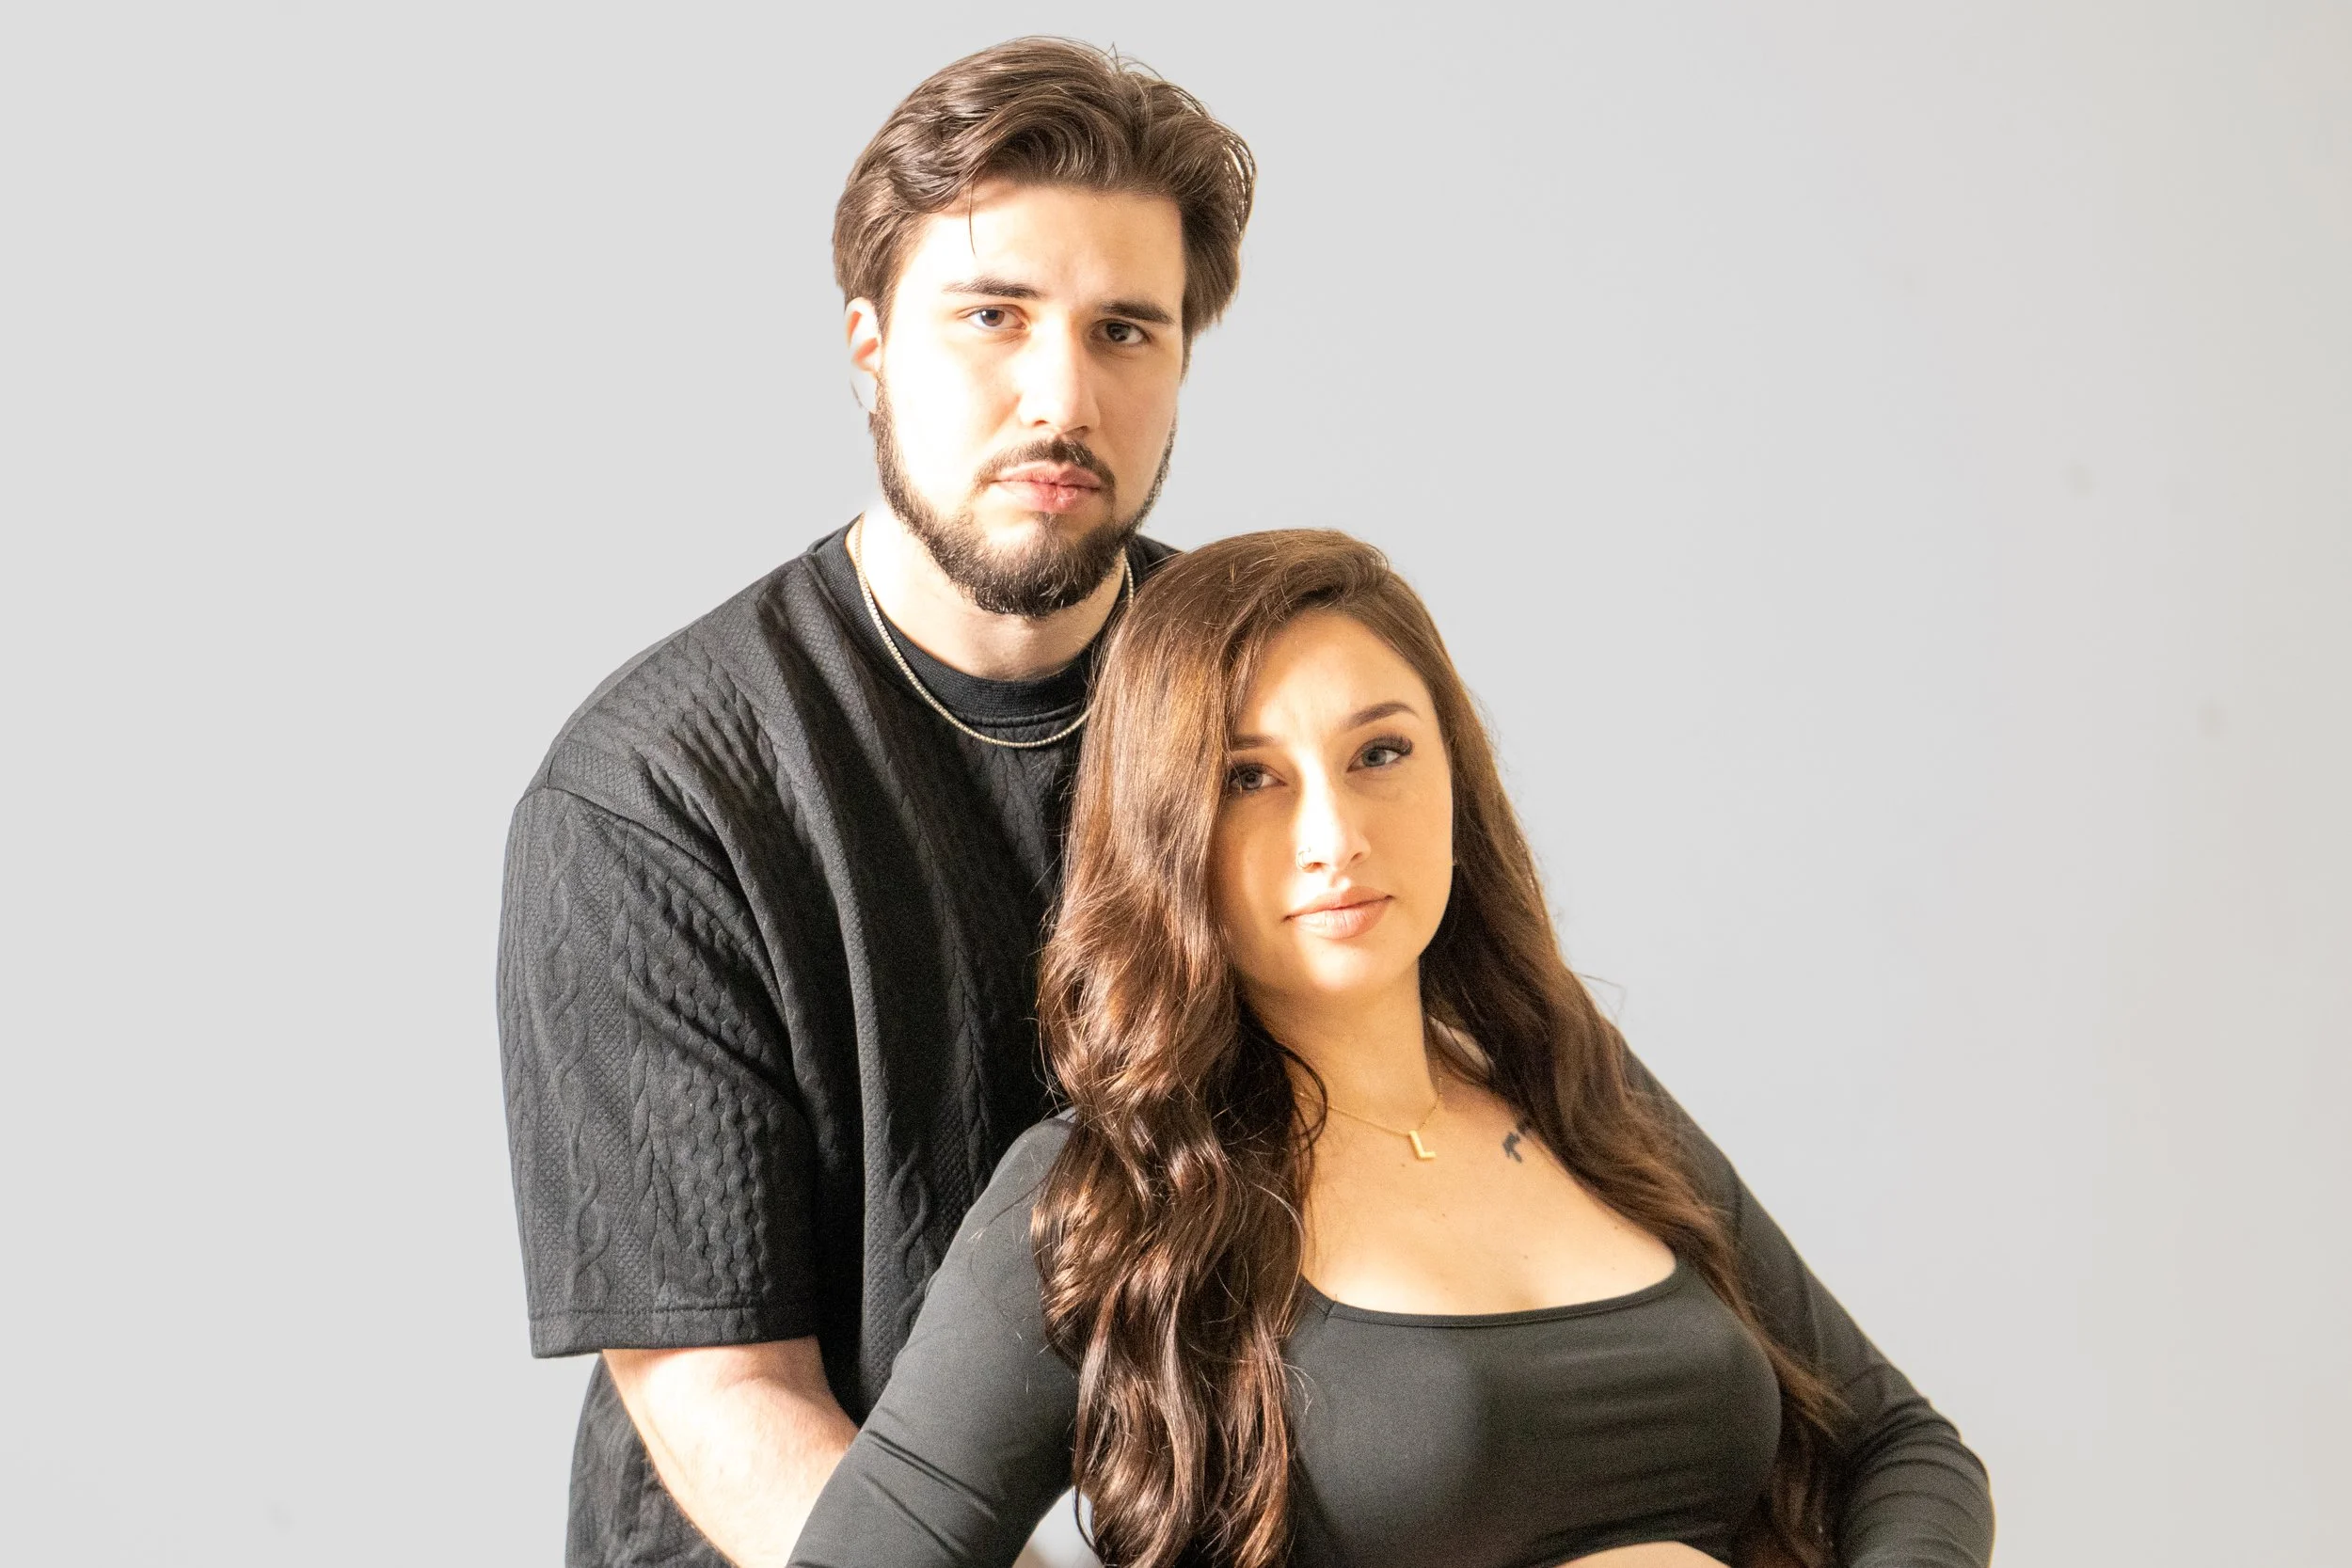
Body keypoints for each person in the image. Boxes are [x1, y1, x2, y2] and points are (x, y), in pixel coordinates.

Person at [789, 531, 1995, 1568]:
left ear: (1454, 775)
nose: (1335, 835)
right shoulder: (1105, 1192)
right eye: (1247, 777)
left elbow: (1903, 1447)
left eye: (1380, 753)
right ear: (1167, 834)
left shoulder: (1576, 1078)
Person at [495, 39, 1254, 1567]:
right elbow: (724, 1391)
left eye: (1125, 330)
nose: (1062, 393)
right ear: (867, 345)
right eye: (993, 316)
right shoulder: (661, 792)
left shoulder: (1276, 711)